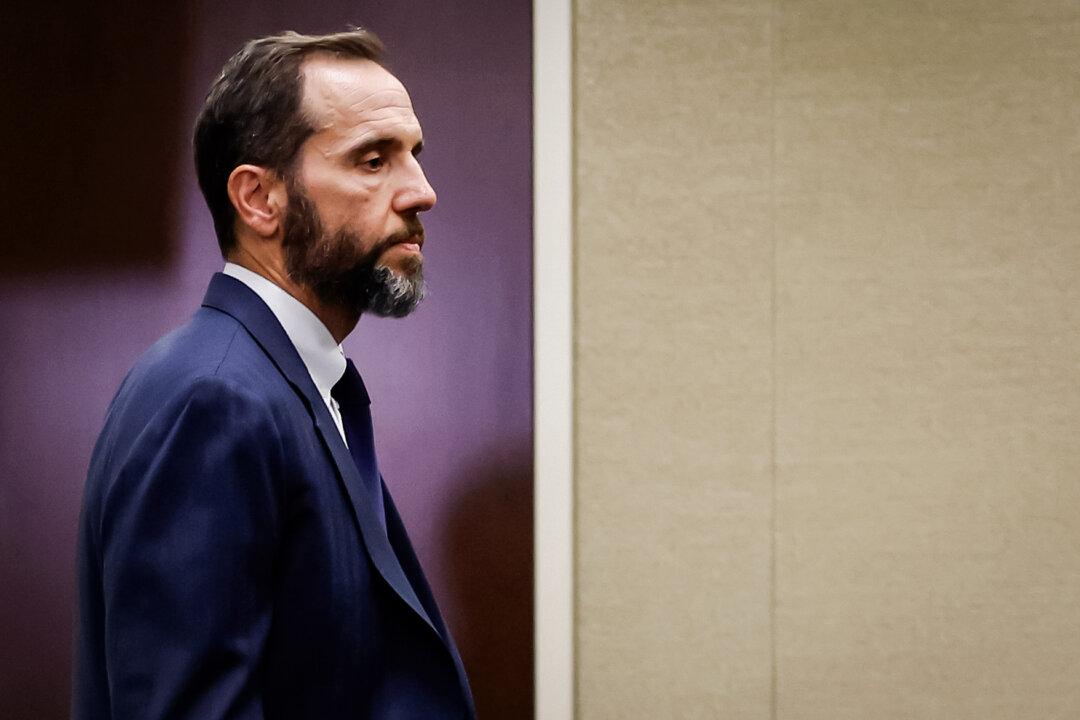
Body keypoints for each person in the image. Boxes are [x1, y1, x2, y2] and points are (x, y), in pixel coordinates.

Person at [73, 30, 475, 719]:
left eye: (415, 156)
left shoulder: (284, 384)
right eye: (373, 160)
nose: (423, 192)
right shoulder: (215, 397)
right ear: (260, 199)